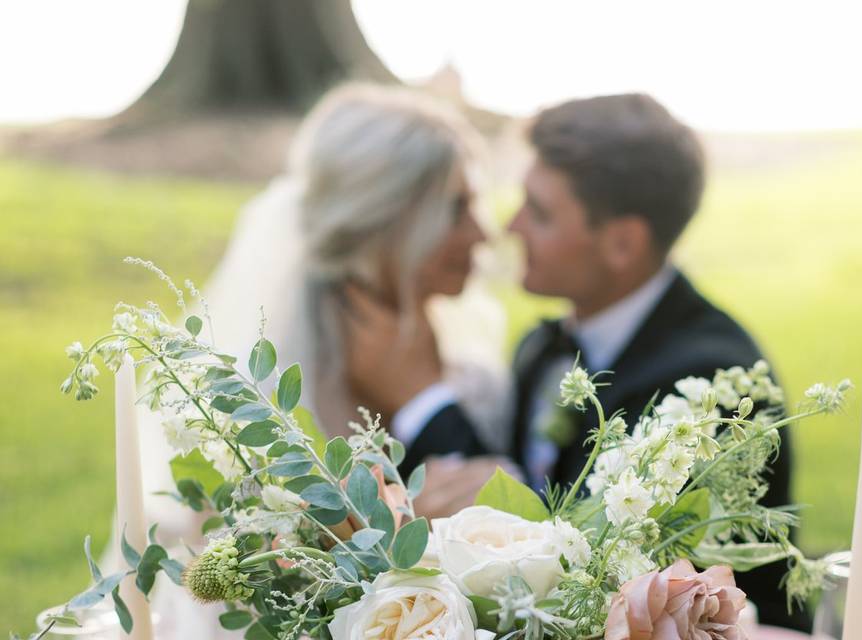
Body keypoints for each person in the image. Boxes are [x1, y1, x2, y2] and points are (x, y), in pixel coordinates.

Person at [347, 93, 807, 630]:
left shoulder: (705, 387)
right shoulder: (542, 345)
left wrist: (424, 400)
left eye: (539, 213)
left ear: (622, 244)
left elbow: (579, 572)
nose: (511, 227)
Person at [129, 83, 516, 638]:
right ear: (381, 223)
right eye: (455, 209)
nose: (482, 234)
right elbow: (237, 572)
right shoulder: (260, 387)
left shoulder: (469, 363)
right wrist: (385, 523)